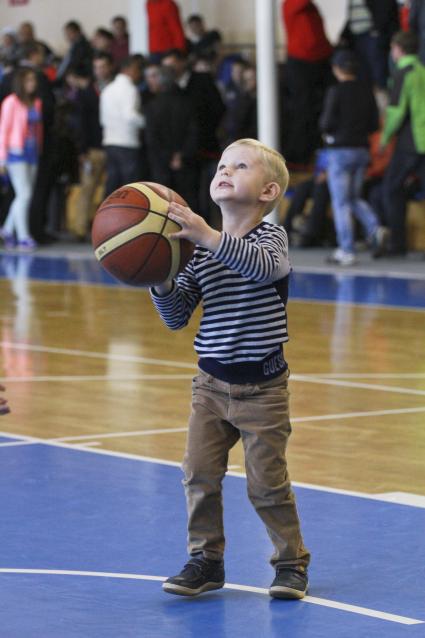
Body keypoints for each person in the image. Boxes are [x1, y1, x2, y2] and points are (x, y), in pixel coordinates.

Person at [150, 138, 310, 599]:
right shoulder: (197, 252)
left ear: (268, 192)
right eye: (221, 164)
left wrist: (207, 236)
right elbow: (177, 316)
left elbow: (262, 269)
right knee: (198, 475)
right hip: (210, 386)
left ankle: (290, 562)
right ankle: (206, 559)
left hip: (263, 390)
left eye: (240, 166)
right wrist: (160, 279)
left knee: (266, 486)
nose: (225, 171)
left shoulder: (269, 239)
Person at [320, 49, 387, 265]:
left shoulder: (336, 91)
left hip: (341, 152)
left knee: (340, 203)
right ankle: (375, 228)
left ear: (337, 69)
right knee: (353, 198)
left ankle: (346, 250)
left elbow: (326, 123)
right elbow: (374, 124)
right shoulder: (367, 91)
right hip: (361, 151)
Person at [379, 30, 425, 256]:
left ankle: (397, 245)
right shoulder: (422, 70)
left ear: (398, 49)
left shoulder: (403, 73)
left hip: (411, 142)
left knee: (391, 189)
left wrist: (384, 138)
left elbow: (396, 112)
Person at [281, 0, 333, 165]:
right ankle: (299, 155)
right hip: (301, 63)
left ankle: (314, 149)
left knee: (320, 108)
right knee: (302, 111)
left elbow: (319, 34)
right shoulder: (290, 4)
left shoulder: (311, 8)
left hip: (319, 61)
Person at [144, 66, 199, 208]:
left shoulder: (152, 106)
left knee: (163, 206)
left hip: (161, 165)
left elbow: (152, 138)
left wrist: (168, 157)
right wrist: (180, 156)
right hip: (187, 163)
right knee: (187, 204)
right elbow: (194, 133)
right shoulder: (189, 103)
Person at [0, 68, 42, 250]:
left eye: (33, 80)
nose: (32, 84)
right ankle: (23, 236)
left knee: (23, 195)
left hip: (32, 152)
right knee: (25, 194)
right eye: (28, 80)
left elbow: (38, 129)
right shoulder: (11, 102)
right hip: (15, 153)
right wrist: (2, 158)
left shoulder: (36, 102)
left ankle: (7, 230)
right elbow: (4, 130)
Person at [100, 55, 145, 195]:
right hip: (127, 143)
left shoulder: (107, 89)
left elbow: (102, 119)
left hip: (110, 142)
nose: (140, 73)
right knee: (130, 189)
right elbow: (130, 115)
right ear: (129, 69)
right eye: (138, 69)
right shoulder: (130, 89)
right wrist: (147, 122)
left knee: (112, 186)